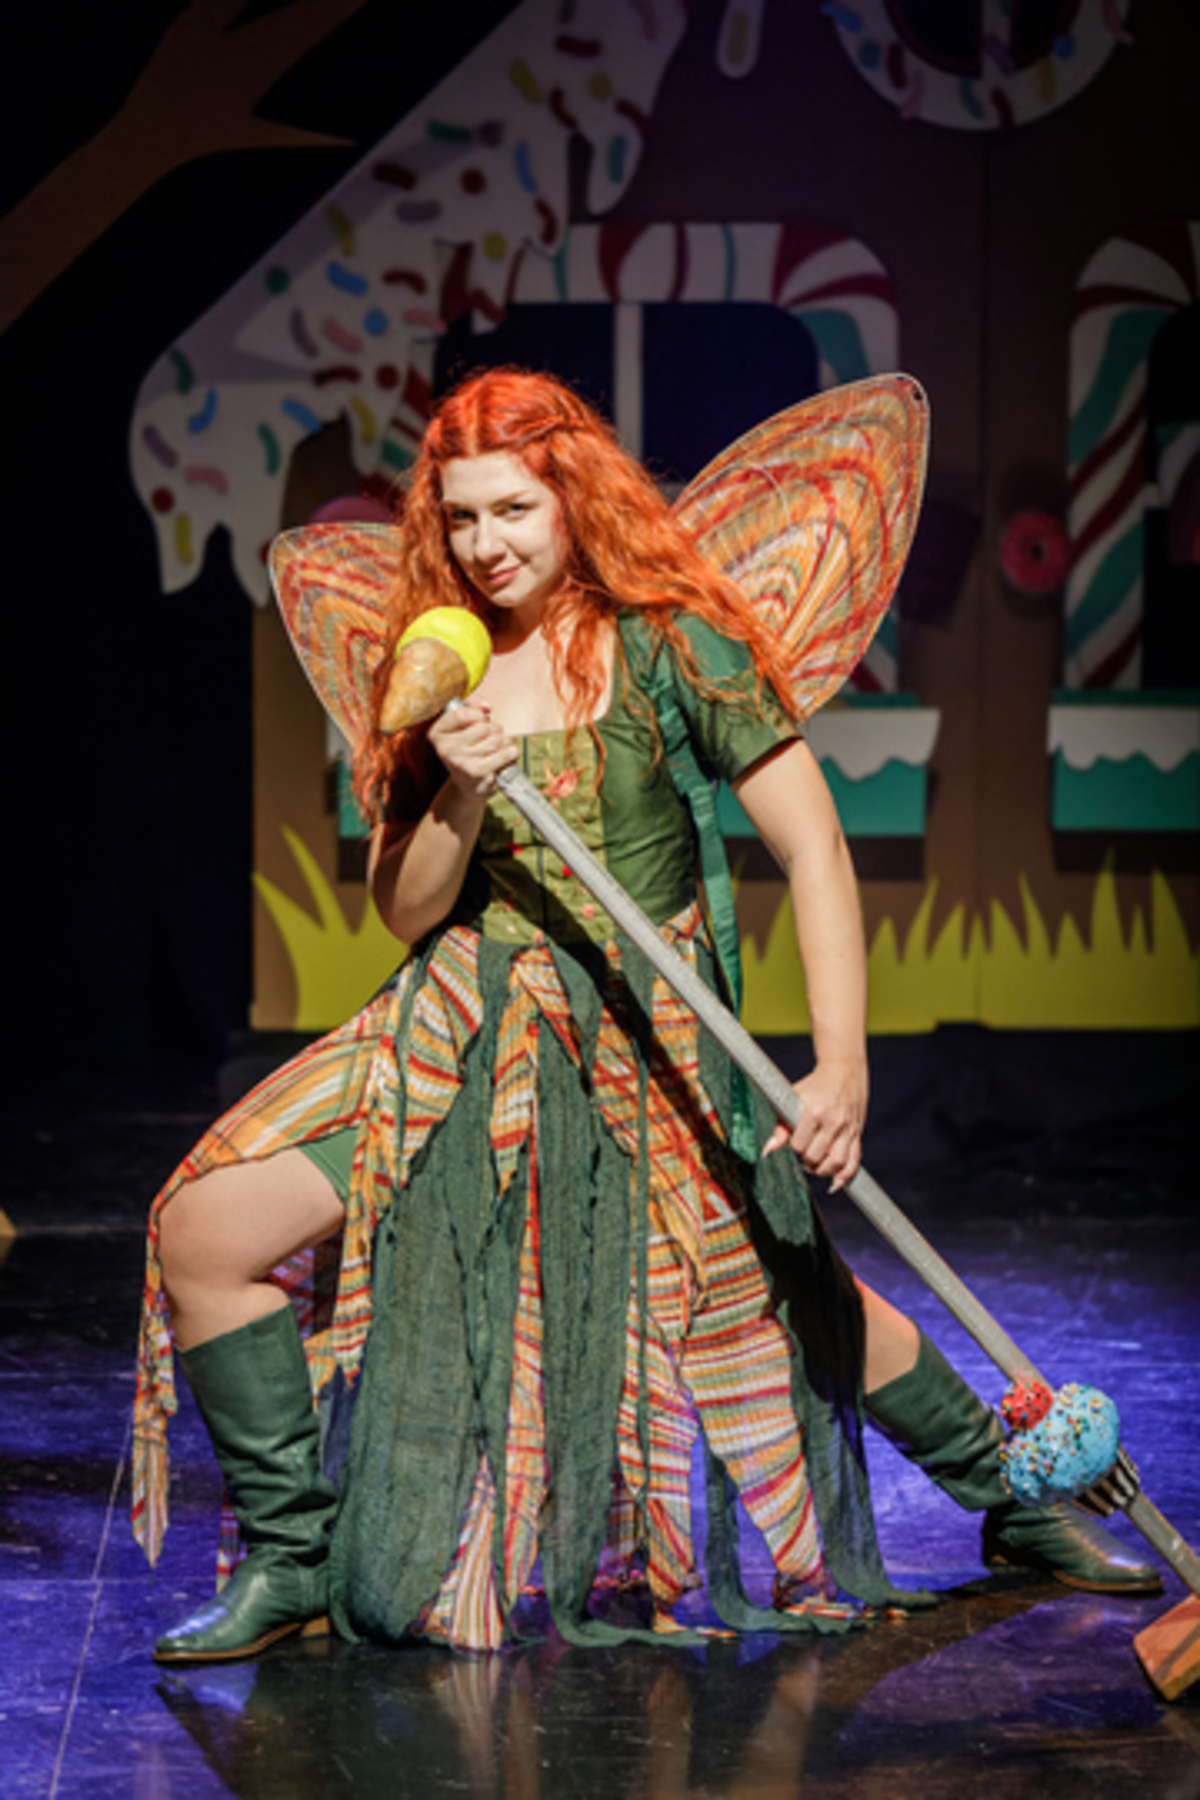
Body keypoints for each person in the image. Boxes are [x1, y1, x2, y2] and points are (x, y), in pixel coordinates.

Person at [134, 368, 1158, 1664]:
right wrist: (456, 789)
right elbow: (405, 908)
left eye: (515, 508)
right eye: (461, 516)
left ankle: (1013, 1498)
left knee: (782, 1290)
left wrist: (840, 1064)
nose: (486, 543)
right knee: (204, 1228)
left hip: (645, 1031)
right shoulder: (436, 663)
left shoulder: (673, 643)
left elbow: (813, 846)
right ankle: (290, 1558)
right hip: (463, 1024)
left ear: (574, 496)